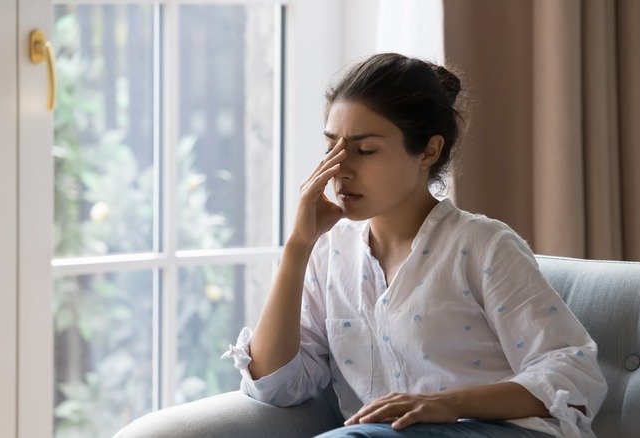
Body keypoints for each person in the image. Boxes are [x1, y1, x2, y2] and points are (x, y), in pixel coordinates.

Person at [223, 53, 607, 438]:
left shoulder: (482, 245)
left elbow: (572, 372)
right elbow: (274, 385)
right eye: (331, 149)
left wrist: (448, 405)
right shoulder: (330, 253)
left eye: (365, 150)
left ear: (428, 151)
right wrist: (297, 246)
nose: (340, 170)